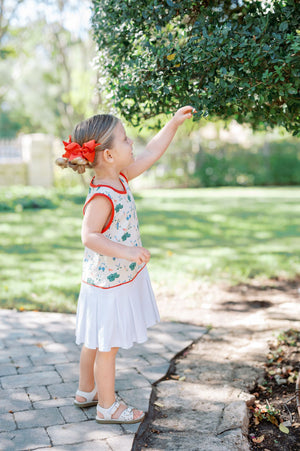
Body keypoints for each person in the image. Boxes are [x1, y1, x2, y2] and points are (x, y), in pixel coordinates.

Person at [56, 106, 195, 424]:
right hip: (108, 284)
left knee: (94, 339)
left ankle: (86, 390)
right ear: (107, 155)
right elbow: (89, 236)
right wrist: (127, 252)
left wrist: (172, 124)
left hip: (108, 279)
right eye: (125, 139)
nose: (132, 143)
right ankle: (107, 406)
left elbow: (151, 152)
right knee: (108, 345)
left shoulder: (120, 177)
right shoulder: (103, 194)